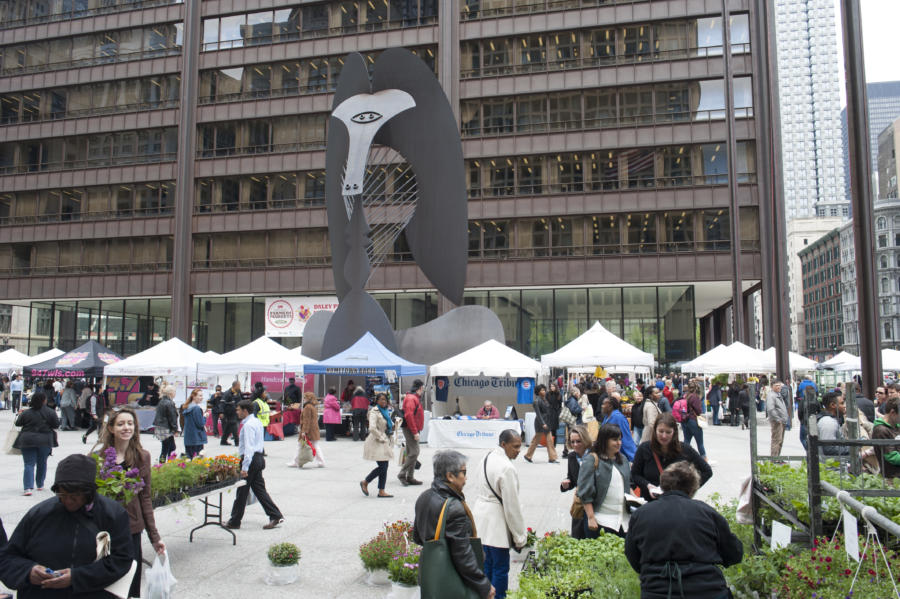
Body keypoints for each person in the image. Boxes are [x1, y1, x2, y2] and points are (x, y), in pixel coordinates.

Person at [0, 454, 134, 599]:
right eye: (62, 494)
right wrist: (28, 571)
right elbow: (7, 557)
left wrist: (76, 577)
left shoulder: (113, 514)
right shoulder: (39, 514)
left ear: (89, 492)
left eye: (75, 496)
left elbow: (121, 559)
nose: (68, 501)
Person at [625, 461, 743, 599]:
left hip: (657, 590)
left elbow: (632, 554)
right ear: (692, 488)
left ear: (663, 485)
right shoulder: (707, 513)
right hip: (707, 590)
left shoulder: (641, 514)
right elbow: (734, 553)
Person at [94, 406, 165, 597]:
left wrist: (155, 537)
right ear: (111, 428)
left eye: (130, 423)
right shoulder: (97, 458)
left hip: (131, 528)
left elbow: (145, 497)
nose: (126, 428)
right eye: (121, 424)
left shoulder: (142, 457)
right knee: (106, 582)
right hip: (104, 531)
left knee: (129, 583)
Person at [414, 450, 495, 599]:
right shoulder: (454, 507)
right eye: (463, 472)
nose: (466, 477)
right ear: (450, 476)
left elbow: (418, 537)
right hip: (452, 581)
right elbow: (462, 553)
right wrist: (483, 584)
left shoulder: (424, 497)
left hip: (431, 577)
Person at [473, 430, 526, 599]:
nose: (519, 450)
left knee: (487, 564)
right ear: (504, 445)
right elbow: (512, 507)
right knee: (500, 568)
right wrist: (519, 537)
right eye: (515, 446)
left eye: (520, 446)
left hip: (481, 518)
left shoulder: (486, 457)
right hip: (496, 521)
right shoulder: (507, 467)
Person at [226, 400, 284, 530]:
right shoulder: (256, 422)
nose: (237, 412)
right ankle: (275, 515)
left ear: (245, 411)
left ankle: (235, 521)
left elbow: (249, 447)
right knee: (259, 489)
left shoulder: (248, 425)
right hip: (257, 458)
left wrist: (245, 467)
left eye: (238, 409)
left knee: (242, 491)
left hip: (251, 460)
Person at [631, 413, 712, 501]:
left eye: (668, 432)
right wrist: (647, 485)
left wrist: (688, 490)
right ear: (655, 431)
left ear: (674, 432)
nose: (664, 436)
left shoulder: (685, 450)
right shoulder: (644, 448)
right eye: (661, 431)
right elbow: (635, 474)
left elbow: (707, 471)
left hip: (677, 503)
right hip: (650, 502)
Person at [577, 423, 633, 539]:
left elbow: (627, 485)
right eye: (614, 440)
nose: (619, 443)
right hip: (600, 522)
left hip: (624, 523)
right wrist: (591, 517)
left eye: (619, 439)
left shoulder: (623, 460)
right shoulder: (592, 460)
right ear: (604, 440)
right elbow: (584, 492)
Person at [13, 391, 58, 496]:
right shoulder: (50, 412)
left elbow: (18, 423)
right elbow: (56, 425)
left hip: (27, 439)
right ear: (44, 400)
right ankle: (40, 484)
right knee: (42, 463)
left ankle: (27, 488)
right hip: (45, 440)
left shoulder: (26, 412)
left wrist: (20, 415)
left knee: (29, 464)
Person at [360, 392, 396, 498]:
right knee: (383, 466)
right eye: (381, 399)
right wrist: (381, 437)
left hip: (385, 440)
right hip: (377, 441)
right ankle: (365, 482)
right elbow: (372, 428)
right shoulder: (374, 411)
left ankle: (381, 490)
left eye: (385, 399)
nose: (383, 401)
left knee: (384, 466)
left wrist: (393, 426)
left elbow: (387, 424)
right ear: (377, 401)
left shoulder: (385, 411)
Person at [559, 424, 592, 539]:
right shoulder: (572, 456)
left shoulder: (594, 455)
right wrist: (565, 484)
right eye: (572, 442)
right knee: (578, 535)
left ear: (585, 439)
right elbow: (572, 479)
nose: (575, 445)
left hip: (593, 500)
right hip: (579, 502)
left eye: (578, 441)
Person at [399, 379, 425, 486]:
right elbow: (409, 416)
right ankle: (402, 474)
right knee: (414, 452)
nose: (423, 390)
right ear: (420, 388)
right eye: (422, 388)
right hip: (410, 428)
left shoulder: (413, 398)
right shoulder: (411, 398)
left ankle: (410, 476)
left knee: (411, 453)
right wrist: (415, 432)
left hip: (412, 428)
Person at [524, 384, 559, 463]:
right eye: (542, 390)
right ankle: (528, 455)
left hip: (546, 422)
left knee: (544, 440)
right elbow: (538, 414)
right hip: (540, 423)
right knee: (538, 440)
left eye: (544, 389)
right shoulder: (536, 401)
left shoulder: (544, 399)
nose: (544, 391)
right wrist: (543, 423)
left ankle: (551, 458)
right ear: (538, 392)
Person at [600, 396, 636, 462]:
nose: (602, 406)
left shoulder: (619, 418)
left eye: (604, 404)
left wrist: (632, 458)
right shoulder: (606, 417)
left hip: (620, 456)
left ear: (610, 406)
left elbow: (626, 439)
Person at [872, 397, 900, 479]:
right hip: (892, 477)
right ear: (893, 412)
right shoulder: (881, 430)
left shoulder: (896, 426)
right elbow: (891, 457)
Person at [678, 382, 706, 459]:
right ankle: (704, 458)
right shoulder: (695, 397)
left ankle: (683, 458)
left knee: (686, 440)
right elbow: (698, 411)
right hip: (693, 420)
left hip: (684, 420)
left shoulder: (685, 396)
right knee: (700, 443)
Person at [818, 391, 850, 458]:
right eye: (842, 403)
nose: (844, 406)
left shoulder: (830, 420)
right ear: (832, 405)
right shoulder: (828, 422)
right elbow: (829, 449)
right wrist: (852, 448)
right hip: (831, 467)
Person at [152, 385, 178, 463]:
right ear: (171, 393)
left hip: (160, 427)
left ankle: (166, 463)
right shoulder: (169, 403)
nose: (175, 393)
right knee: (168, 448)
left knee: (168, 447)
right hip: (166, 427)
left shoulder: (162, 401)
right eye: (174, 392)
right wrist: (175, 429)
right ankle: (166, 464)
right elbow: (172, 417)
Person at [300, 391, 325, 467]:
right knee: (315, 445)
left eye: (305, 397)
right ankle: (321, 462)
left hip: (310, 430)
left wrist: (304, 431)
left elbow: (306, 420)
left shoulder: (307, 407)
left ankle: (296, 461)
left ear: (308, 398)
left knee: (311, 446)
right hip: (314, 429)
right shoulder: (312, 406)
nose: (303, 399)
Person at [182, 388, 208, 458]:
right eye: (200, 396)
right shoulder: (196, 408)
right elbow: (200, 424)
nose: (201, 398)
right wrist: (205, 417)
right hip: (197, 438)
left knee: (189, 458)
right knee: (197, 460)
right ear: (194, 396)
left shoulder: (187, 407)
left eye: (202, 396)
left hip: (188, 438)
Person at [766, 380, 788, 456]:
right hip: (777, 421)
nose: (779, 387)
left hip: (781, 421)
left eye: (779, 385)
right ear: (772, 386)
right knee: (776, 440)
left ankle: (778, 458)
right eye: (776, 385)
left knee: (780, 440)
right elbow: (770, 409)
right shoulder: (771, 395)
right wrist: (778, 419)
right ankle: (774, 459)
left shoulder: (778, 394)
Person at [220, 380, 241, 446]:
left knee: (228, 427)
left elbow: (240, 400)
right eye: (239, 385)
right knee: (234, 425)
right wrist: (221, 412)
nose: (240, 387)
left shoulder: (238, 392)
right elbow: (222, 403)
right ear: (235, 386)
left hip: (235, 412)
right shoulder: (227, 393)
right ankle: (237, 442)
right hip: (228, 412)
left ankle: (223, 441)